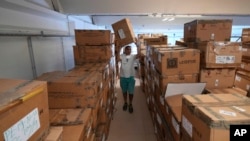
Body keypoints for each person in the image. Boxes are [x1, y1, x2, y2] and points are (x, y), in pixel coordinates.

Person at [118, 44, 140, 113]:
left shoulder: (133, 56)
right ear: (125, 50)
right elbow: (117, 58)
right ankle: (125, 102)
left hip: (131, 77)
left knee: (131, 92)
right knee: (124, 91)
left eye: (130, 49)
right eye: (127, 49)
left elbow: (139, 55)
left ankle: (130, 103)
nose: (129, 50)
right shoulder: (122, 56)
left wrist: (137, 46)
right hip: (123, 77)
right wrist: (120, 48)